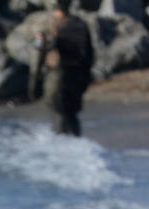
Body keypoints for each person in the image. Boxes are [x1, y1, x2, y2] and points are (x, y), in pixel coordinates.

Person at [32, 0, 94, 136]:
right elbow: (89, 53)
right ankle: (76, 143)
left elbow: (40, 51)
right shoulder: (80, 24)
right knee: (71, 114)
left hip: (57, 74)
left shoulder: (52, 25)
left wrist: (35, 80)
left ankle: (62, 143)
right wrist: (86, 77)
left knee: (58, 111)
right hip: (77, 74)